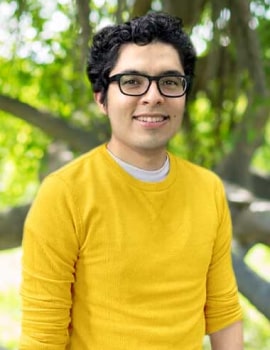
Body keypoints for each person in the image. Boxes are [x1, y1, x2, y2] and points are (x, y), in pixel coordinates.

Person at [20, 12, 243, 350]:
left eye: (169, 81)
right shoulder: (63, 194)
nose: (153, 96)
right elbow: (42, 338)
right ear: (101, 98)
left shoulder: (208, 189)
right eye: (132, 81)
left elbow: (223, 312)